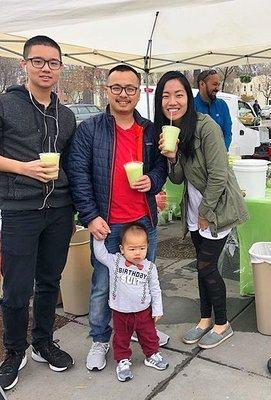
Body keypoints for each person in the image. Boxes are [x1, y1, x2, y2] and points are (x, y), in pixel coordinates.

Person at [67, 65, 167, 371]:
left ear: (139, 92)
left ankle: (143, 331)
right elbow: (78, 174)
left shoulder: (150, 130)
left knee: (142, 280)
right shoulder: (90, 129)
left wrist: (153, 179)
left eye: (130, 88)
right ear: (106, 89)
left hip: (142, 223)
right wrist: (90, 216)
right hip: (107, 224)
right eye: (117, 88)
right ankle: (100, 339)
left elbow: (161, 168)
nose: (124, 94)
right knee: (102, 283)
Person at [0, 35, 76, 390]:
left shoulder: (67, 114)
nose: (46, 68)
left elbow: (73, 163)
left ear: (60, 68)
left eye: (53, 63)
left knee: (49, 281)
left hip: (59, 209)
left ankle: (44, 341)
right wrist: (22, 167)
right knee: (16, 288)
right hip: (20, 209)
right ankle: (15, 351)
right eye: (39, 61)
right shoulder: (5, 105)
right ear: (25, 64)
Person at [156, 71, 249, 349]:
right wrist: (172, 158)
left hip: (216, 208)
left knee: (207, 267)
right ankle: (205, 320)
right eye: (166, 96)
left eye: (178, 94)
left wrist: (206, 212)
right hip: (196, 210)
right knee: (202, 268)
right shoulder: (175, 129)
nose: (172, 101)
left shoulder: (207, 127)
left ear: (189, 96)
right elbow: (177, 179)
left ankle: (223, 324)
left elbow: (219, 175)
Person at [93, 223, 169, 382]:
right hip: (121, 311)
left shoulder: (149, 267)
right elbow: (100, 254)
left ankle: (151, 355)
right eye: (132, 249)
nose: (137, 253)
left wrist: (157, 309)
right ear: (122, 248)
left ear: (148, 247)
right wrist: (98, 238)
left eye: (142, 248)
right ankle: (122, 360)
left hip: (143, 311)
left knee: (149, 336)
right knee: (121, 338)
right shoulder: (115, 261)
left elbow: (155, 289)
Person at [194, 70, 232, 150]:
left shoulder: (222, 105)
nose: (217, 88)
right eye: (214, 84)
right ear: (202, 84)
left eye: (218, 85)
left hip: (219, 156)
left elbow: (227, 133)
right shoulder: (190, 105)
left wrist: (222, 152)